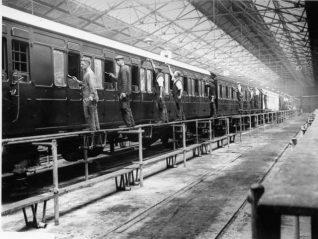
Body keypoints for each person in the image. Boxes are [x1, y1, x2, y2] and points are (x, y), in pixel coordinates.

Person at [70, 57, 100, 131]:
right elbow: (85, 84)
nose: (81, 65)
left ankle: (94, 133)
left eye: (82, 64)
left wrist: (90, 97)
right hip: (89, 98)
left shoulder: (89, 74)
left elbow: (93, 86)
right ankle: (97, 133)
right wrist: (77, 81)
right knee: (93, 117)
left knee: (89, 117)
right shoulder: (87, 73)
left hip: (89, 98)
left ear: (87, 64)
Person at [108, 55, 135, 127]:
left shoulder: (123, 69)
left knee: (124, 108)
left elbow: (124, 81)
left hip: (124, 92)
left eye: (118, 60)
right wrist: (113, 76)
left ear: (122, 60)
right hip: (126, 91)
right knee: (126, 108)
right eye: (116, 61)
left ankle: (129, 124)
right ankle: (131, 123)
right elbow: (120, 80)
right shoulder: (124, 68)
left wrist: (123, 92)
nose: (117, 62)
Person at [149, 58, 169, 123]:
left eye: (156, 69)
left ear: (158, 70)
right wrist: (152, 62)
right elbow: (154, 67)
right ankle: (164, 119)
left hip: (160, 93)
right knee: (161, 106)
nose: (155, 70)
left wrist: (160, 95)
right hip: (159, 93)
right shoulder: (158, 75)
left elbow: (161, 86)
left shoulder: (160, 77)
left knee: (160, 106)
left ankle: (162, 120)